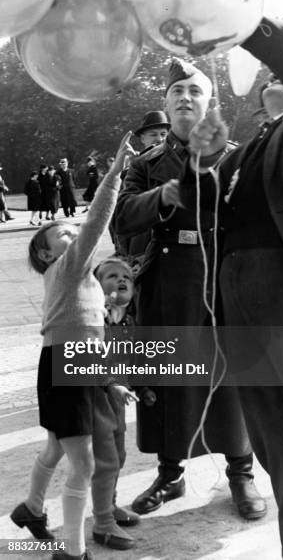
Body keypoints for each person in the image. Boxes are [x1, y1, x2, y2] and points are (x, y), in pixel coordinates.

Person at [115, 59, 266, 520]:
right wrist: (160, 197)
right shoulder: (144, 165)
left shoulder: (238, 155)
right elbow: (120, 220)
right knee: (172, 381)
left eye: (195, 91)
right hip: (167, 286)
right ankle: (171, 473)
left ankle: (241, 473)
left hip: (224, 284)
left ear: (209, 103)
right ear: (165, 103)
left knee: (231, 380)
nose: (185, 97)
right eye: (176, 90)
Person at [179, 16, 283, 560]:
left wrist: (241, 21)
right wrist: (202, 160)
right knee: (280, 451)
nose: (269, 77)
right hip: (239, 305)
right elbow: (196, 210)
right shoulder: (255, 143)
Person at [10, 134, 135, 560]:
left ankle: (30, 508)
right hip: (68, 363)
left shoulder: (74, 279)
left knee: (55, 447)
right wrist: (116, 171)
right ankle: (72, 550)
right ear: (46, 255)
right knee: (82, 464)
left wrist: (108, 380)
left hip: (64, 361)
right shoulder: (67, 268)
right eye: (62, 233)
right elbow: (98, 217)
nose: (73, 232)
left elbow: (89, 334)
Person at [93, 256, 140, 548]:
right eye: (111, 276)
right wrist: (114, 385)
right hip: (96, 400)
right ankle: (102, 525)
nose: (121, 280)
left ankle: (109, 505)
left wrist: (140, 386)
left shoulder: (130, 322)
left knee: (118, 455)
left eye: (127, 277)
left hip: (117, 402)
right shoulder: (94, 320)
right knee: (106, 461)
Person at [114, 111, 170, 261]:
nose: (159, 139)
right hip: (140, 245)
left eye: (164, 134)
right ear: (142, 138)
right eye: (153, 134)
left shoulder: (178, 163)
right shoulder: (133, 168)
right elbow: (120, 216)